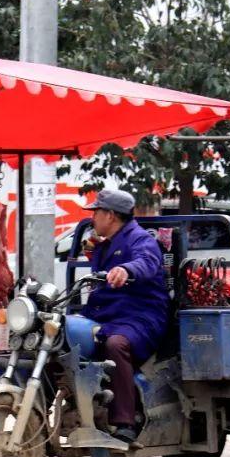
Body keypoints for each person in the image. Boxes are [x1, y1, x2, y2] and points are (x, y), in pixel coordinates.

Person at [79, 189, 170, 443]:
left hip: (140, 317)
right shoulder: (102, 243)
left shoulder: (141, 240)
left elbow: (147, 262)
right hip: (108, 314)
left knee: (114, 344)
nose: (92, 217)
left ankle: (125, 422)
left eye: (96, 212)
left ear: (110, 215)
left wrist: (126, 269)